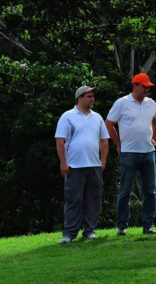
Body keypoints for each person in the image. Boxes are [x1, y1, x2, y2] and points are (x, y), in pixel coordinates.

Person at [105, 73, 156, 236]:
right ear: (135, 85)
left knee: (150, 191)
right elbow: (109, 123)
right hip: (128, 153)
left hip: (148, 153)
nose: (146, 90)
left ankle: (148, 226)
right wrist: (118, 144)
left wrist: (154, 139)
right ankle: (122, 227)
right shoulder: (122, 103)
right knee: (125, 191)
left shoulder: (151, 103)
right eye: (144, 87)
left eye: (148, 87)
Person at [55, 86, 109, 244]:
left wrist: (103, 161)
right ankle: (69, 234)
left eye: (92, 96)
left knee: (94, 198)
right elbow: (60, 140)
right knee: (74, 200)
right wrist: (63, 163)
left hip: (94, 165)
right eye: (89, 96)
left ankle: (89, 230)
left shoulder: (97, 117)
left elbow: (104, 141)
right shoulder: (67, 117)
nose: (92, 99)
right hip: (74, 166)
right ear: (80, 98)